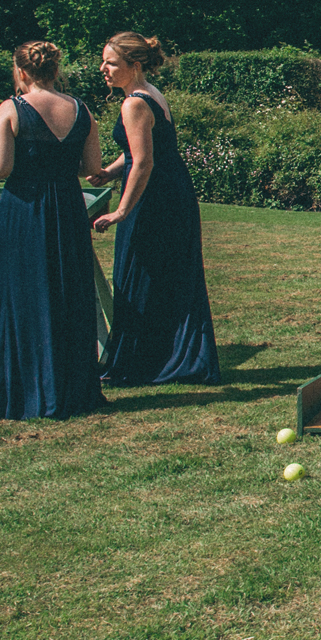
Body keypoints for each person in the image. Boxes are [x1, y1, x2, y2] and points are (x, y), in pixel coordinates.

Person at [0, 42, 106, 420]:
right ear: (55, 70)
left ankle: (22, 387)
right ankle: (69, 386)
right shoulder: (82, 110)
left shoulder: (11, 108)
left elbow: (0, 169)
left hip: (25, 209)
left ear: (21, 73)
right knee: (68, 292)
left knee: (20, 294)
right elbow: (90, 166)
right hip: (67, 207)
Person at [89, 32, 220, 386]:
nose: (103, 68)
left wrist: (121, 213)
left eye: (110, 63)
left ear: (134, 65)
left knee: (140, 276)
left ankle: (142, 362)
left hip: (155, 198)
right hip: (171, 192)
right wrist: (110, 172)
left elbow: (144, 163)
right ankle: (167, 357)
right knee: (165, 278)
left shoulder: (133, 103)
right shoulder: (150, 94)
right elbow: (137, 152)